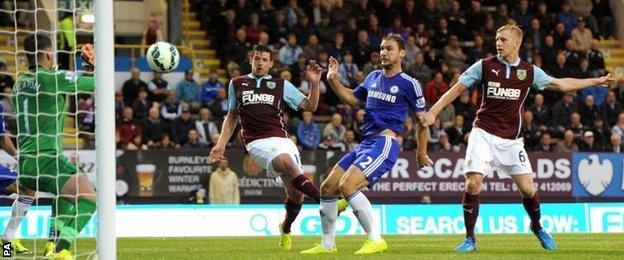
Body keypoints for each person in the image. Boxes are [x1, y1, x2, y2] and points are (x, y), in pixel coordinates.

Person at [420, 24, 614, 253]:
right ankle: (470, 239)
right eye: (496, 39)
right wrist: (434, 111)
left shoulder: (529, 71)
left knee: (529, 190)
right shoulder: (484, 66)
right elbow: (457, 89)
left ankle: (537, 226)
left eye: (503, 40)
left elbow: (561, 84)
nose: (498, 43)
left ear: (516, 43)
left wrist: (595, 81)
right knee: (473, 182)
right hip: (482, 133)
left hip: (511, 141)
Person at [301, 34, 431, 255]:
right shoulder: (372, 77)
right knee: (327, 188)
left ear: (402, 53)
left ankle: (375, 239)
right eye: (381, 48)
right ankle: (327, 245)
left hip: (385, 143)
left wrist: (422, 152)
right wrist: (333, 80)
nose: (383, 53)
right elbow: (353, 99)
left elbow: (423, 121)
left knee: (347, 185)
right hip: (365, 144)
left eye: (389, 48)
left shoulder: (409, 84)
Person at [209, 44, 328, 252]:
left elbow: (310, 106)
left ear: (271, 63)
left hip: (281, 139)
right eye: (257, 58)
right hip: (256, 141)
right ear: (251, 59)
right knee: (285, 162)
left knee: (296, 195)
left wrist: (315, 84)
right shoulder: (237, 83)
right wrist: (221, 144)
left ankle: (286, 228)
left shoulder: (280, 85)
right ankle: (327, 201)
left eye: (264, 60)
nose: (260, 63)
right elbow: (232, 116)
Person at [12, 33, 98, 258]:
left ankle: (13, 247)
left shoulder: (18, 84)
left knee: (52, 198)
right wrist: (95, 67)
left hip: (25, 165)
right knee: (91, 199)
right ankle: (61, 249)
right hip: (47, 160)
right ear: (49, 54)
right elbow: (95, 84)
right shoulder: (52, 78)